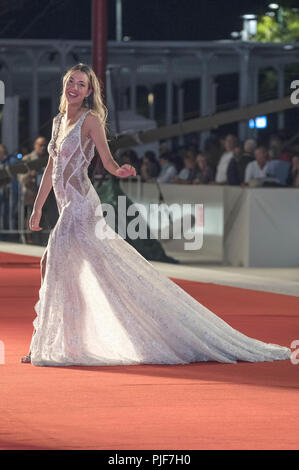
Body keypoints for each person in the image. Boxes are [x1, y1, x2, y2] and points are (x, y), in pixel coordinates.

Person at [21, 63, 290, 366]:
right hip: (65, 205)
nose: (74, 88)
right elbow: (51, 170)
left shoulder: (90, 120)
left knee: (55, 263)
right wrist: (39, 206)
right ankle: (60, 341)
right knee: (85, 269)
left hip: (81, 206)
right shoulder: (58, 122)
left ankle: (55, 343)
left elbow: (106, 160)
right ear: (64, 83)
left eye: (82, 84)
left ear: (89, 91)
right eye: (71, 81)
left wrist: (119, 169)